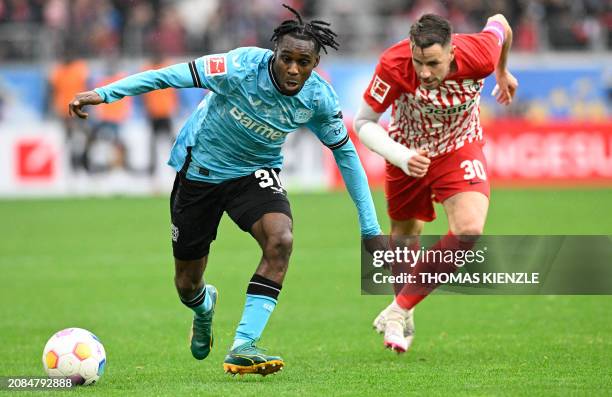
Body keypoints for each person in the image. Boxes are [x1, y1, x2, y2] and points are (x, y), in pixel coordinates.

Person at [69, 4, 382, 376]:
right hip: (200, 169)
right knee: (187, 284)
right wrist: (104, 95)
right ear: (274, 53)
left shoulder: (318, 97)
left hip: (254, 172)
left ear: (315, 62)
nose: (294, 69)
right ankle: (203, 307)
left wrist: (371, 228)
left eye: (304, 62)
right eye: (286, 59)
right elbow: (166, 77)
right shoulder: (239, 67)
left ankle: (243, 345)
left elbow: (345, 154)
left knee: (280, 239)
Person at [353, 13, 518, 353]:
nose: (424, 73)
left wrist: (501, 70)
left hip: (459, 145)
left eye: (432, 63)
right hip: (407, 149)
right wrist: (401, 156)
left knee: (469, 229)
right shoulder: (394, 63)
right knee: (404, 233)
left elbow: (500, 21)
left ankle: (399, 311)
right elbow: (364, 122)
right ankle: (405, 310)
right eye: (418, 62)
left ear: (452, 52)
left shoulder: (481, 54)